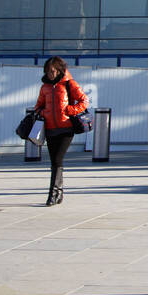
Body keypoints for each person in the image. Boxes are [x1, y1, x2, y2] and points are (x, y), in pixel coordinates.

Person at [33, 56, 88, 205]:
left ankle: (52, 194)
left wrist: (70, 110)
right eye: (47, 71)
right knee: (54, 162)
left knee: (57, 159)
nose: (50, 74)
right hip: (50, 128)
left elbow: (84, 100)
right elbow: (38, 106)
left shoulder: (69, 84)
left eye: (52, 71)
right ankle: (59, 193)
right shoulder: (44, 87)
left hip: (66, 128)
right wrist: (44, 113)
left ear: (59, 70)